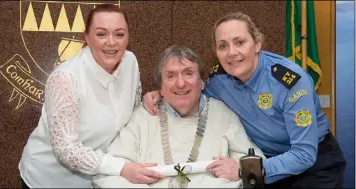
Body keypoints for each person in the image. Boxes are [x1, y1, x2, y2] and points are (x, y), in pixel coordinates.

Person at [142, 12, 346, 188]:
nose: (232, 53)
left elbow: (303, 154)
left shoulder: (290, 83)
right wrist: (162, 93)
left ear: (257, 44)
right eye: (223, 46)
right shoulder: (218, 80)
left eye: (240, 42)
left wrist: (243, 169)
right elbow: (192, 88)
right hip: (265, 161)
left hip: (315, 166)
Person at [18, 4, 156, 188]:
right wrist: (121, 167)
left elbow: (131, 109)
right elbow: (66, 149)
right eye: (101, 34)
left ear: (128, 37)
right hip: (47, 180)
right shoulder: (66, 79)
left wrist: (152, 98)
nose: (111, 42)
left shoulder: (131, 62)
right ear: (87, 37)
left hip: (98, 180)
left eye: (119, 34)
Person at [92, 45, 265, 188]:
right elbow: (108, 173)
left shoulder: (223, 114)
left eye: (189, 73)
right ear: (160, 87)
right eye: (171, 75)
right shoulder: (143, 116)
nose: (181, 83)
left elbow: (253, 167)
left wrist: (238, 171)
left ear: (202, 81)